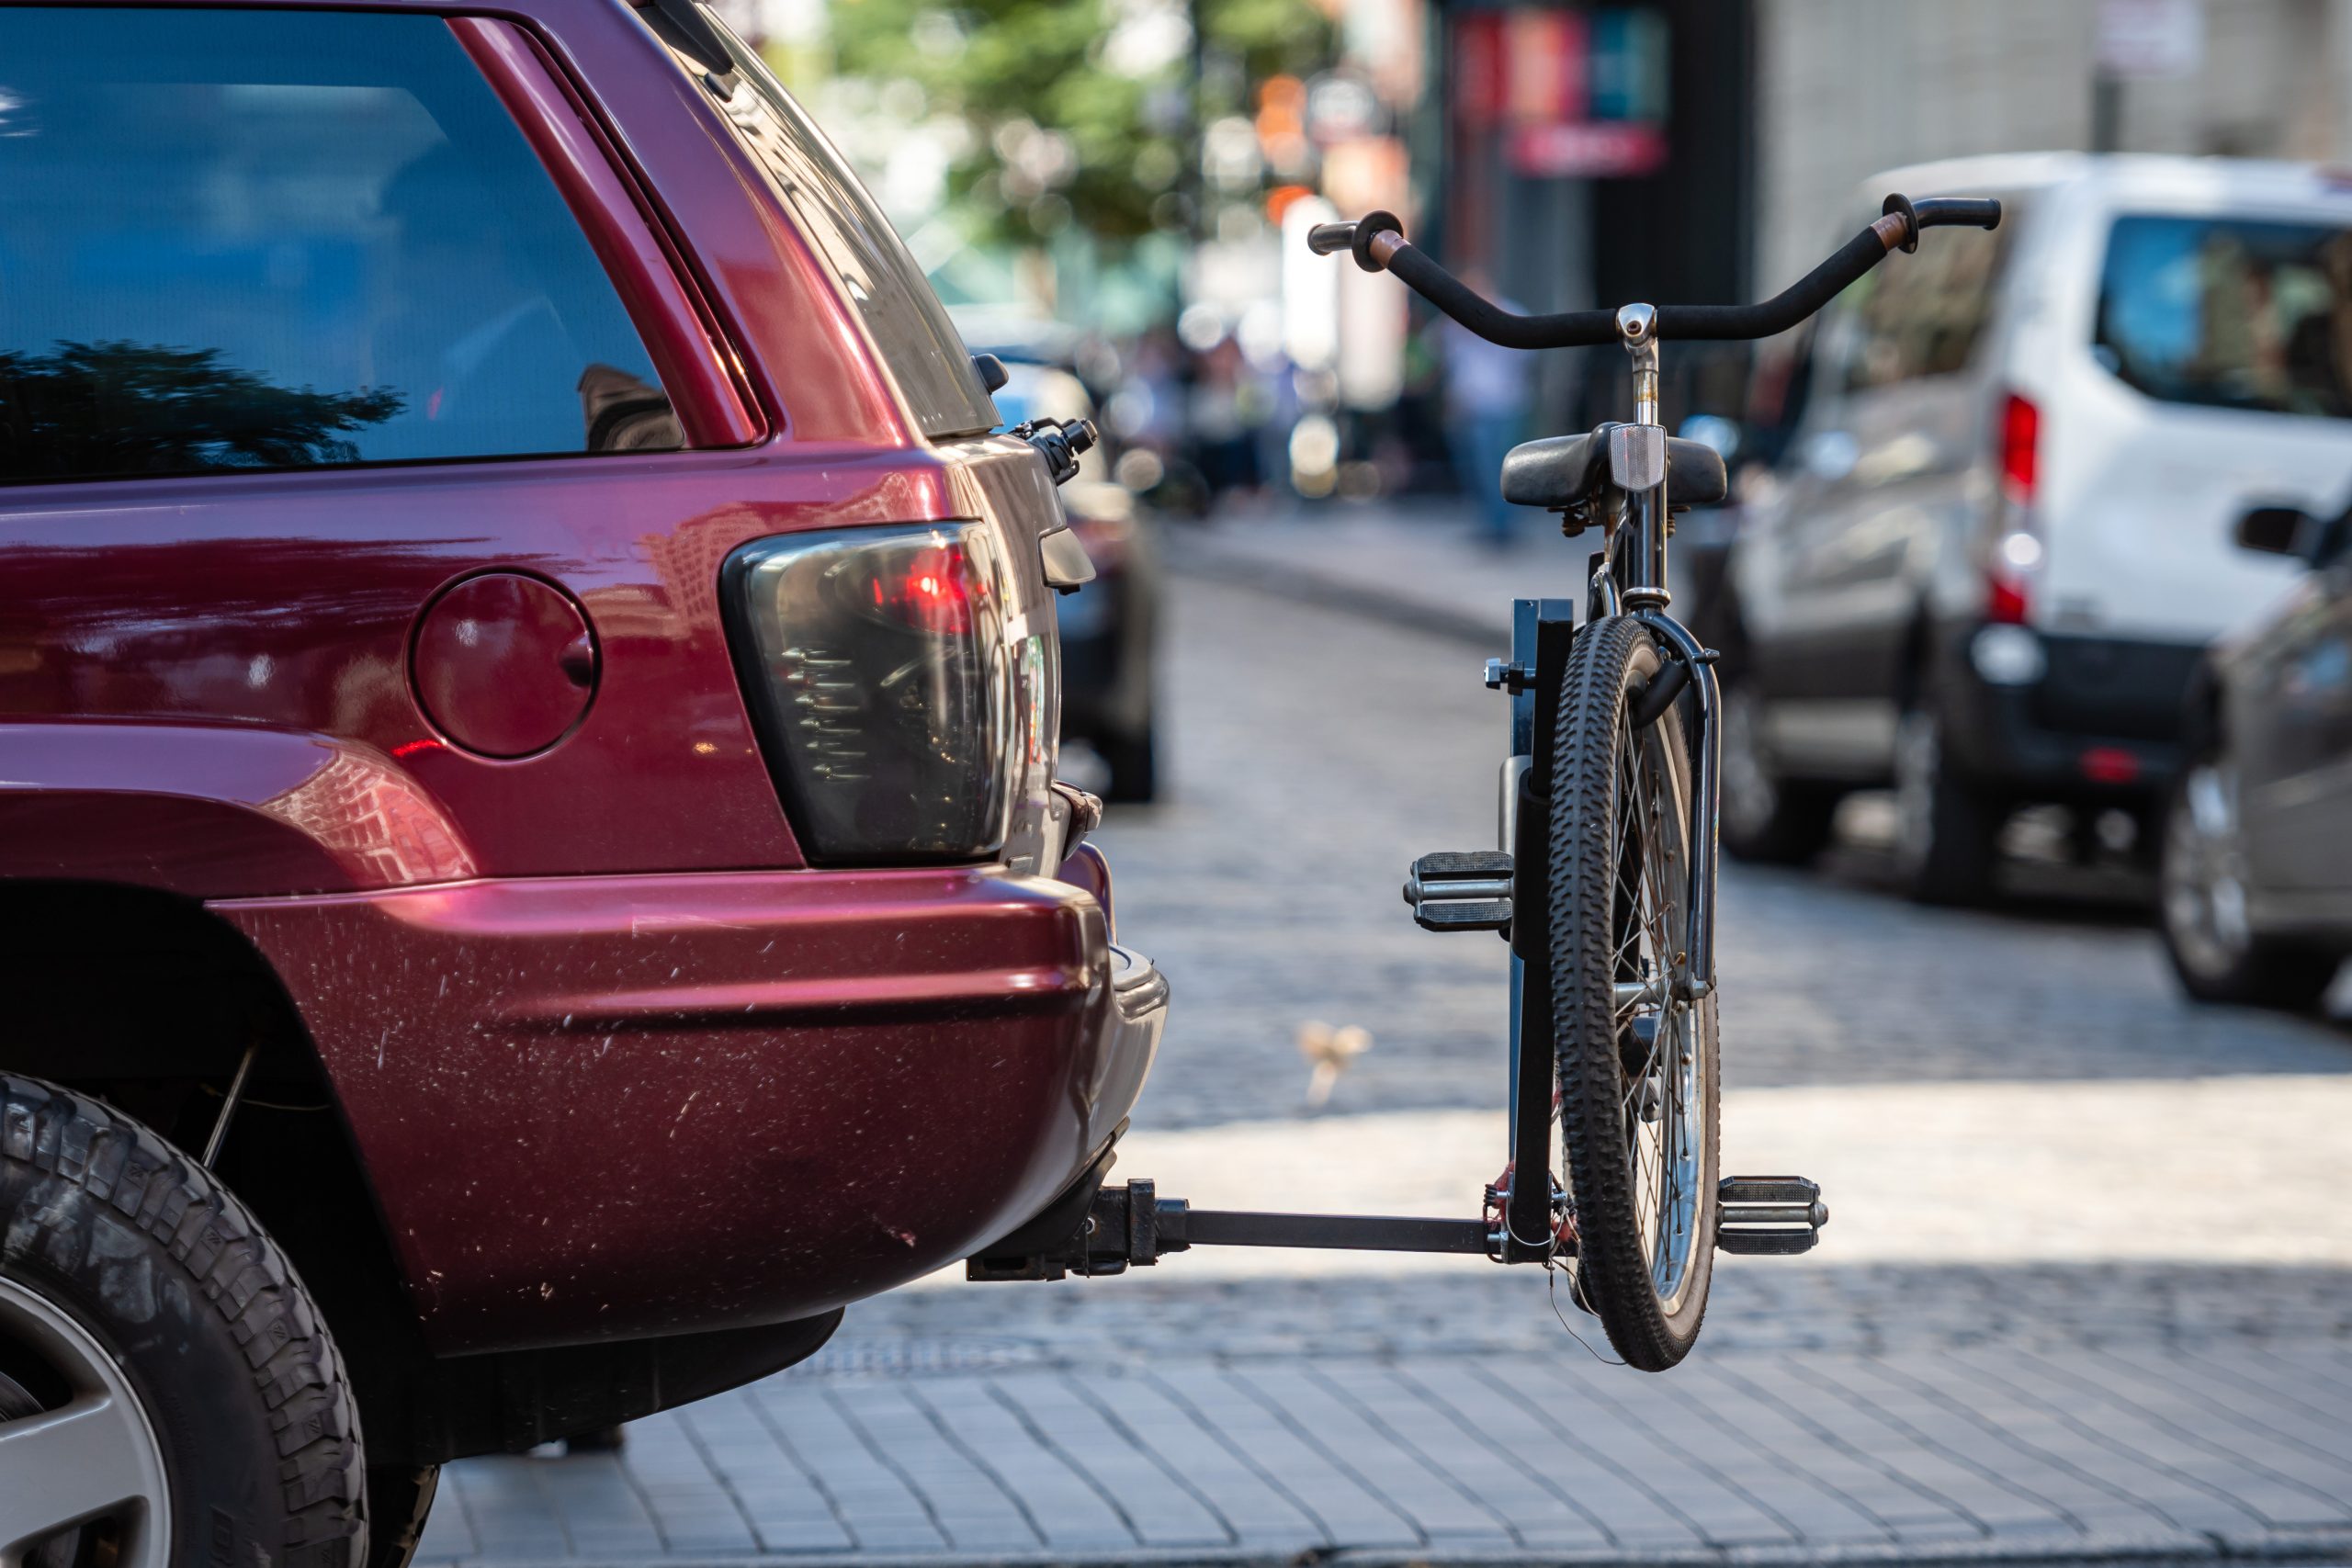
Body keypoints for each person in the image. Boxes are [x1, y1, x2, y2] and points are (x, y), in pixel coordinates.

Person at [1437, 270, 1532, 547]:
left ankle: (1503, 528)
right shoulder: (1455, 321)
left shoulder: (1510, 313)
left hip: (1502, 404)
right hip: (1469, 407)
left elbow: (1525, 357)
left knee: (1501, 470)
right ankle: (1490, 523)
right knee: (1476, 469)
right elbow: (1446, 361)